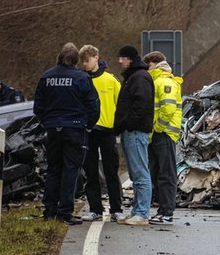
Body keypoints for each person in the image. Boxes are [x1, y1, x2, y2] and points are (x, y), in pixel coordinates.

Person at [33, 43, 100, 225]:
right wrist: (87, 125)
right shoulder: (82, 78)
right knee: (71, 170)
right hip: (75, 129)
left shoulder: (47, 77)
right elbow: (94, 106)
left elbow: (37, 106)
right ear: (76, 60)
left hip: (53, 129)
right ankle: (65, 212)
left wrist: (48, 122)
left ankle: (49, 211)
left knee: (53, 169)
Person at [77, 45, 124, 222]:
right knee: (90, 171)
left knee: (111, 171)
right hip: (88, 131)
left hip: (107, 131)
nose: (85, 64)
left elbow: (120, 105)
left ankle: (116, 208)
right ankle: (95, 208)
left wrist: (117, 127)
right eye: (82, 62)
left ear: (96, 57)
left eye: (87, 61)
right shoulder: (82, 80)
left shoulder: (111, 81)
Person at [113, 45, 154, 226]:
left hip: (136, 131)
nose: (120, 61)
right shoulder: (135, 77)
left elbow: (141, 105)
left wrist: (128, 124)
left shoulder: (139, 77)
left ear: (130, 59)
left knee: (140, 173)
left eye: (122, 58)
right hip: (131, 131)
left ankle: (143, 213)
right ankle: (137, 210)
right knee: (136, 173)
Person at [143, 51, 183, 226]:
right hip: (158, 134)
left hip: (164, 133)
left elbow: (167, 109)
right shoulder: (157, 81)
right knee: (159, 174)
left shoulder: (164, 81)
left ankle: (167, 213)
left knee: (166, 175)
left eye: (148, 65)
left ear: (155, 64)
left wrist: (158, 127)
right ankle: (162, 211)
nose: (147, 69)